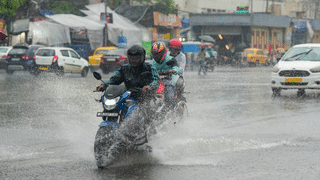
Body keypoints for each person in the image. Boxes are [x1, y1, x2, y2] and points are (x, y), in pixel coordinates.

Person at [151, 41, 179, 108]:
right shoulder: (152, 62)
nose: (156, 56)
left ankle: (174, 112)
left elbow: (176, 67)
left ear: (164, 52)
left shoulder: (171, 60)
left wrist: (173, 70)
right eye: (155, 54)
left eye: (158, 54)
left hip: (168, 82)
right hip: (156, 82)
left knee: (170, 98)